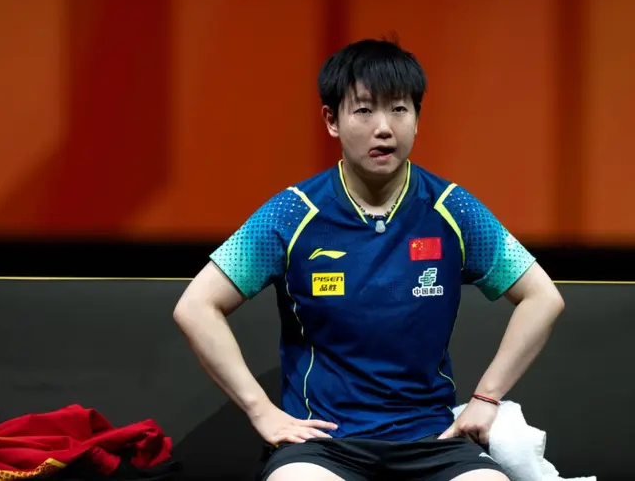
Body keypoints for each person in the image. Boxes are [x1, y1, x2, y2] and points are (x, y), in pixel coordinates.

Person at [172, 38, 565, 481]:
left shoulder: (453, 208)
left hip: (433, 440)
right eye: (363, 110)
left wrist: (487, 397)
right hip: (324, 446)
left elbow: (543, 297)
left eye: (399, 109)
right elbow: (196, 306)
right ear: (332, 120)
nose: (384, 128)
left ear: (417, 118)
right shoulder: (292, 212)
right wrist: (260, 409)